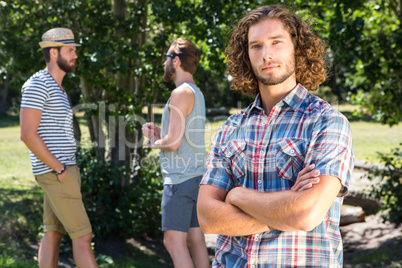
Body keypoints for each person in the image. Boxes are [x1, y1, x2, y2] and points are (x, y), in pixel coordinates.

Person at [197, 5, 354, 267]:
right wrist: (286, 209)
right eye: (256, 46)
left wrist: (236, 195)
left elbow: (306, 213)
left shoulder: (326, 122)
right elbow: (207, 218)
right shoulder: (229, 129)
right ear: (246, 55)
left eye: (276, 42)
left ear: (297, 47)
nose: (266, 54)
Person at [20, 28, 97, 268]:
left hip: (62, 171)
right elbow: (27, 134)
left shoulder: (59, 87)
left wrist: (65, 169)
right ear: (53, 52)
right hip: (56, 173)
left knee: (53, 232)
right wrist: (59, 168)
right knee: (83, 236)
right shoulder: (38, 84)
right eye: (70, 50)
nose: (75, 55)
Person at [142, 38, 209, 268]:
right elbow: (180, 135)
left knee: (172, 241)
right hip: (196, 178)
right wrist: (160, 133)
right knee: (196, 240)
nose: (164, 63)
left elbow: (172, 144)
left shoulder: (180, 93)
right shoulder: (195, 92)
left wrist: (151, 144)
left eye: (167, 58)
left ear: (177, 61)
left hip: (179, 180)